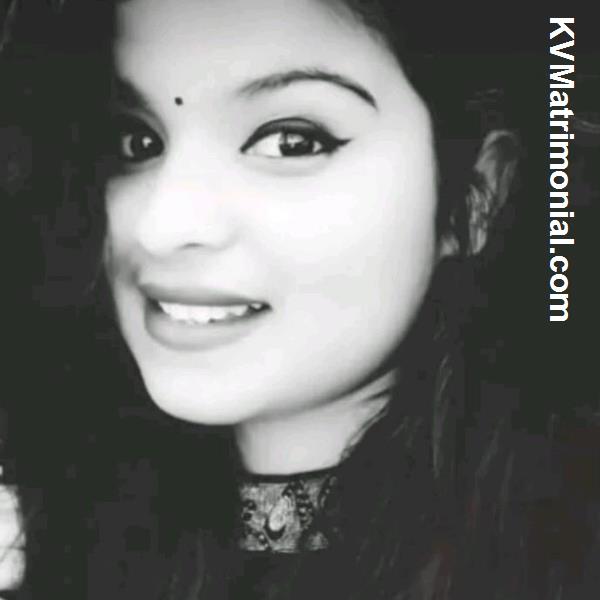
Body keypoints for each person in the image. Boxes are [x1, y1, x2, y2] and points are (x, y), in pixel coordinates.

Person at [1, 1, 531, 599]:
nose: (162, 226)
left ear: (479, 197)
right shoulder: (70, 538)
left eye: (292, 142)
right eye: (135, 140)